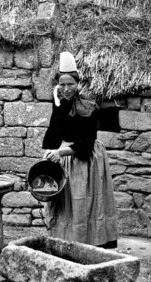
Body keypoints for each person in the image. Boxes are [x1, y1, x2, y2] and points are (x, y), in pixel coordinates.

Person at [40, 51, 118, 248]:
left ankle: (88, 245)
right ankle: (65, 245)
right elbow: (53, 133)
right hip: (63, 158)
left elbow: (85, 145)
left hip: (85, 160)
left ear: (78, 84)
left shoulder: (89, 107)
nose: (66, 89)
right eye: (62, 85)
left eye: (70, 84)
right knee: (66, 206)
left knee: (84, 203)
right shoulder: (58, 105)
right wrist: (49, 153)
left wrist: (61, 153)